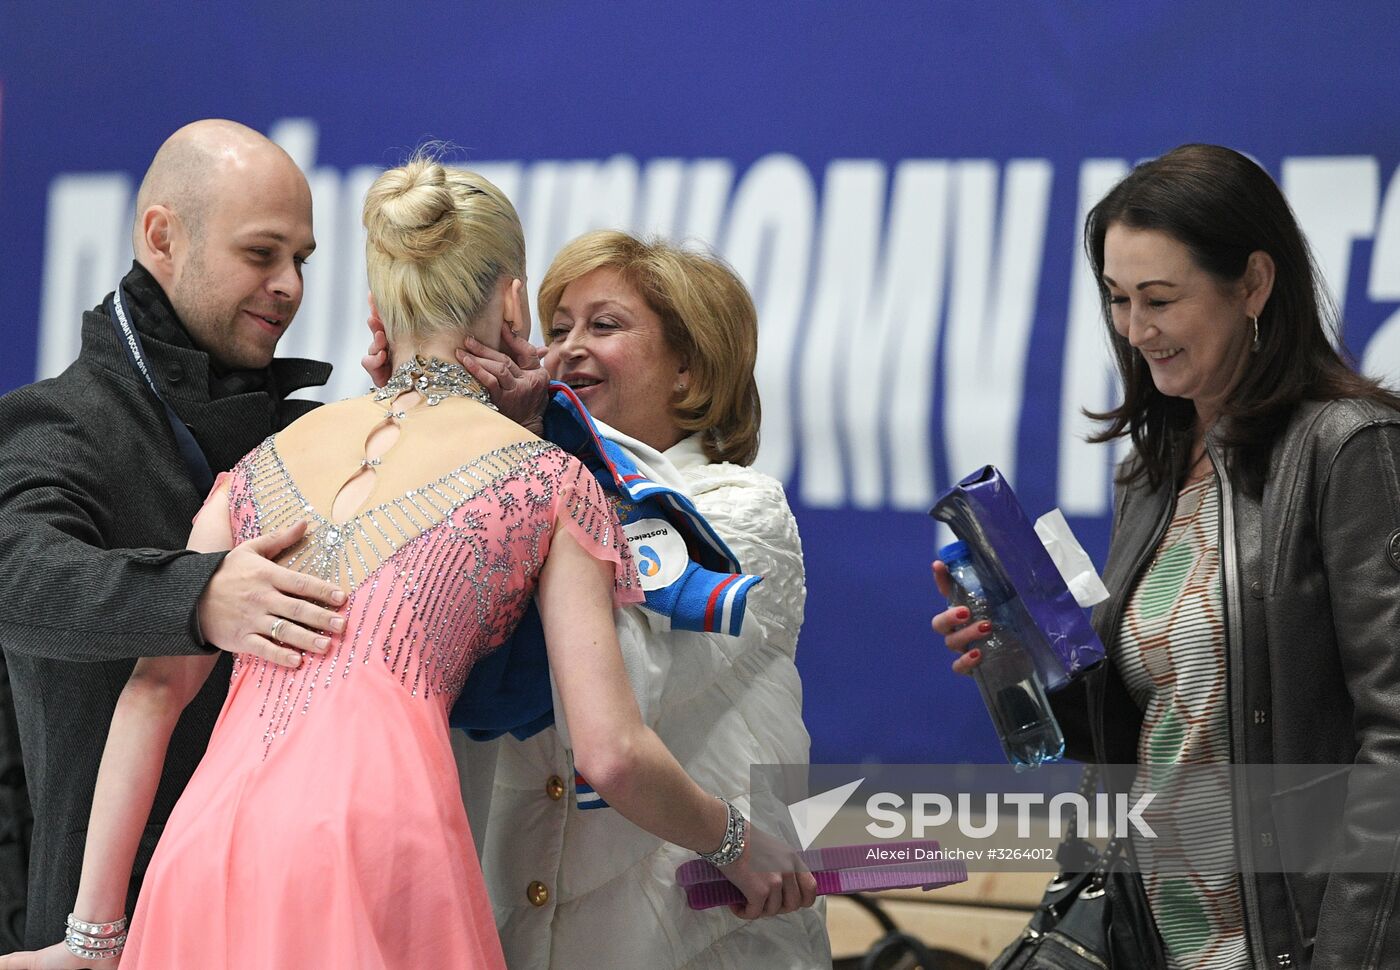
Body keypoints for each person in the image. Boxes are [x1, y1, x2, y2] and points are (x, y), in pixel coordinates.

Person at [0, 159, 814, 970]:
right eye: (550, 320)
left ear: (379, 306)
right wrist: (740, 841)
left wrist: (91, 943)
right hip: (382, 842)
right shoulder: (548, 478)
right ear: (508, 302)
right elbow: (610, 751)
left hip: (204, 843)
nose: (561, 352)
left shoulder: (263, 461)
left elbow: (150, 694)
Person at [933, 144, 1400, 970]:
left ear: (1254, 284)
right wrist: (1022, 657)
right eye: (1117, 299)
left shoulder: (1351, 450)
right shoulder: (1150, 473)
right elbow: (1143, 733)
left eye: (1160, 298)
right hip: (1158, 940)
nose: (1135, 329)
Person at [407, 230, 832, 968]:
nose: (567, 349)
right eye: (559, 326)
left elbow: (610, 692)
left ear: (688, 370)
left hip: (703, 933)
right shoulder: (531, 487)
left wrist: (521, 449)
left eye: (604, 326)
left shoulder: (737, 511)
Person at [0, 119, 350, 952]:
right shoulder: (58, 423)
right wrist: (197, 598)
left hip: (289, 919)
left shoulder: (313, 440)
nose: (290, 286)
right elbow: (16, 577)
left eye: (301, 259)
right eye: (261, 253)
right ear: (162, 236)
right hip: (117, 932)